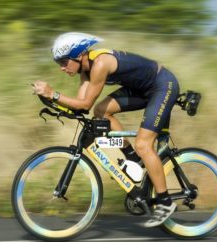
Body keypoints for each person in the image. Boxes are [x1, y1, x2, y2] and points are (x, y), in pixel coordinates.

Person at [32, 32, 179, 227]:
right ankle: (133, 158)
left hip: (162, 86)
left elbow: (84, 101)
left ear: (77, 55)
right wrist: (50, 100)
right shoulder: (85, 70)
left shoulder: (100, 64)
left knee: (144, 144)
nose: (62, 68)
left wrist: (54, 93)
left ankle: (165, 202)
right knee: (101, 111)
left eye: (64, 62)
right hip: (142, 90)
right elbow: (82, 107)